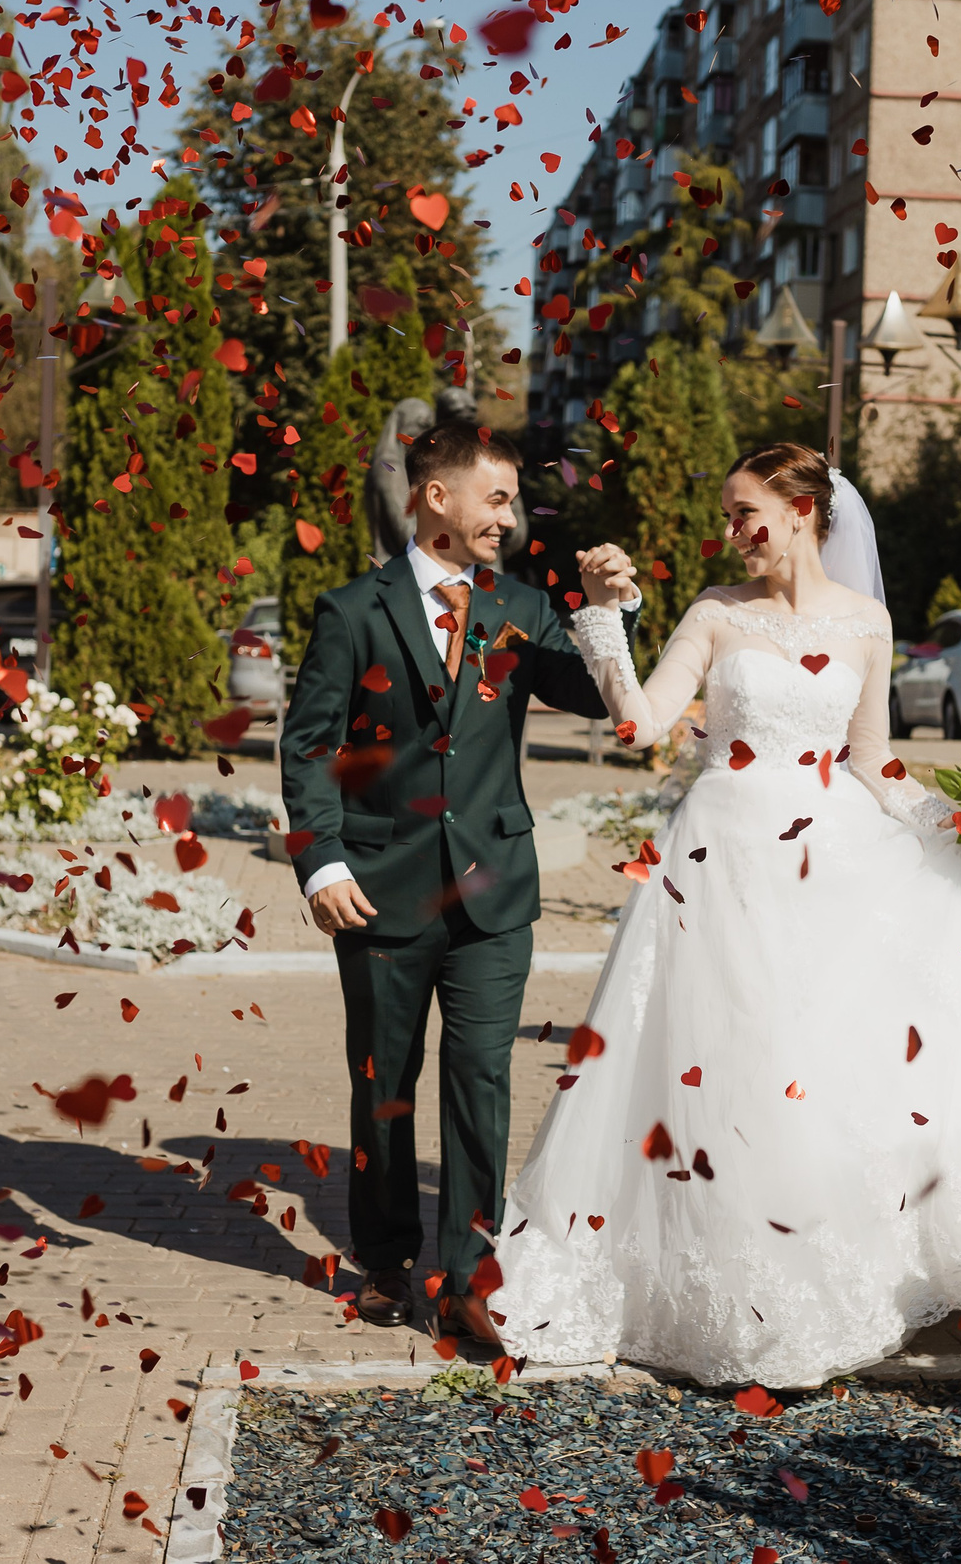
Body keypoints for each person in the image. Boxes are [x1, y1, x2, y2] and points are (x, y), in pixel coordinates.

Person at [488, 443, 961, 1387]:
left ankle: (816, 1285)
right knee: (726, 1068)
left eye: (748, 511)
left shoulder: (867, 622)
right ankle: (723, 1287)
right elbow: (645, 724)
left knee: (814, 1074)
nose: (733, 529)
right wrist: (609, 620)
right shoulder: (713, 615)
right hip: (723, 860)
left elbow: (874, 762)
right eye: (729, 513)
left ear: (802, 509)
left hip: (832, 866)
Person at [278, 418, 635, 1348]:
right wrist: (320, 858)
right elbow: (309, 746)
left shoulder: (519, 603)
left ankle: (471, 1274)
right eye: (498, 498)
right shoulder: (353, 610)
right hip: (380, 889)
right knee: (384, 1083)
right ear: (438, 497)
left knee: (480, 1077)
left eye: (513, 501)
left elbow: (592, 692)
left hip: (493, 887)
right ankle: (389, 1256)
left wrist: (604, 610)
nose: (508, 519)